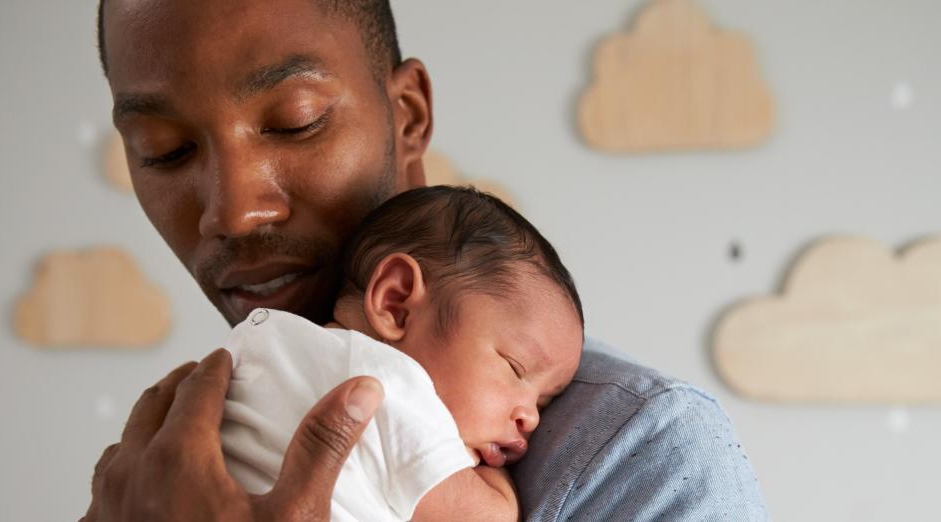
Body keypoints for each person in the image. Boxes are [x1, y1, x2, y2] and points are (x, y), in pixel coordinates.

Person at [85, 0, 770, 520]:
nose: (232, 213)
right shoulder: (168, 456)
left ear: (407, 115)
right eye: (164, 149)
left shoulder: (640, 452)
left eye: (295, 121)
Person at [220, 186, 584, 521]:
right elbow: (487, 517)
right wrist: (495, 479)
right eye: (515, 367)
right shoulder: (389, 384)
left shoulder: (267, 348)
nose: (531, 419)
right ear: (397, 304)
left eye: (544, 403)